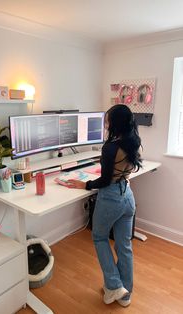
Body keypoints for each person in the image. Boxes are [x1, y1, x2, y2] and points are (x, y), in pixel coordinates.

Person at [68, 104, 142, 307]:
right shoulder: (133, 140)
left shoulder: (110, 147)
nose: (105, 123)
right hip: (127, 196)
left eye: (108, 119)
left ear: (115, 123)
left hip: (111, 199)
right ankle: (125, 295)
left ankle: (114, 284)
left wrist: (84, 185)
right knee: (124, 246)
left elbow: (104, 181)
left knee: (99, 237)